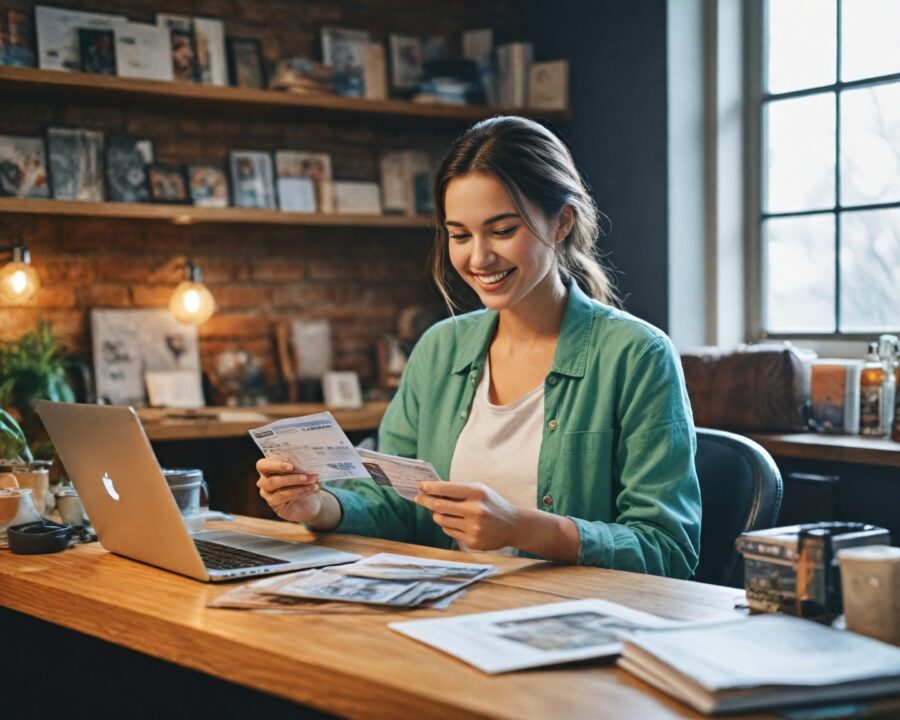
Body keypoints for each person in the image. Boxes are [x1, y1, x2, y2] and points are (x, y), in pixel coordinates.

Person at [257, 116, 701, 578]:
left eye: (503, 230)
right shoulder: (439, 349)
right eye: (460, 235)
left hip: (569, 621)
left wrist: (521, 528)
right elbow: (392, 505)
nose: (478, 258)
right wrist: (317, 506)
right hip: (443, 609)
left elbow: (668, 550)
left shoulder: (637, 355)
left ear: (561, 223)